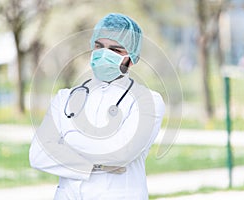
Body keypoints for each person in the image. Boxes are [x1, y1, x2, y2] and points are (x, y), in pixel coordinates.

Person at [29, 13, 165, 200]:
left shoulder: (148, 101)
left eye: (115, 50)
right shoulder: (65, 97)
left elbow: (121, 153)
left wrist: (67, 140)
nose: (103, 54)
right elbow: (37, 156)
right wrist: (97, 166)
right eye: (99, 47)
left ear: (132, 58)